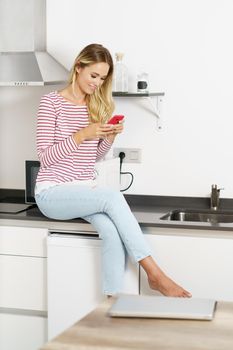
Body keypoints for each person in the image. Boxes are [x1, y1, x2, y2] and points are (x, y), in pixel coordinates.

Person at [35, 43, 191, 298]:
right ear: (78, 68)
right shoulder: (50, 103)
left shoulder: (95, 105)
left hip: (84, 190)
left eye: (102, 78)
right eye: (93, 76)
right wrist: (83, 134)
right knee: (113, 196)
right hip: (52, 193)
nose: (97, 83)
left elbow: (92, 157)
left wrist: (110, 136)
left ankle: (112, 299)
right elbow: (45, 158)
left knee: (110, 230)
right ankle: (155, 274)